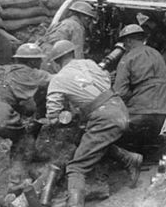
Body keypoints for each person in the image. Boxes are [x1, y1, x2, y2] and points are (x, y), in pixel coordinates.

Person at [45, 40, 142, 207]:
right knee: (92, 142)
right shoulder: (89, 63)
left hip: (103, 117)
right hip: (119, 107)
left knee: (76, 167)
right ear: (73, 54)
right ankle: (130, 159)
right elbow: (103, 84)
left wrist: (59, 118)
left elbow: (53, 114)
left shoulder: (58, 79)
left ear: (55, 62)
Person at [0, 43, 52, 193]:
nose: (40, 63)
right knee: (23, 141)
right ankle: (15, 182)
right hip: (0, 113)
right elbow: (56, 80)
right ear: (33, 61)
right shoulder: (32, 72)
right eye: (39, 60)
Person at [113, 24, 166, 150]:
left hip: (141, 114)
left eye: (124, 42)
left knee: (109, 125)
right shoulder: (157, 54)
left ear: (128, 41)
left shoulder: (127, 58)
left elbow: (120, 92)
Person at [38, 1, 98, 71]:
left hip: (44, 55)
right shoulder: (77, 27)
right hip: (55, 56)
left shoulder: (63, 22)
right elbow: (78, 54)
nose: (89, 21)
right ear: (79, 15)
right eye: (87, 17)